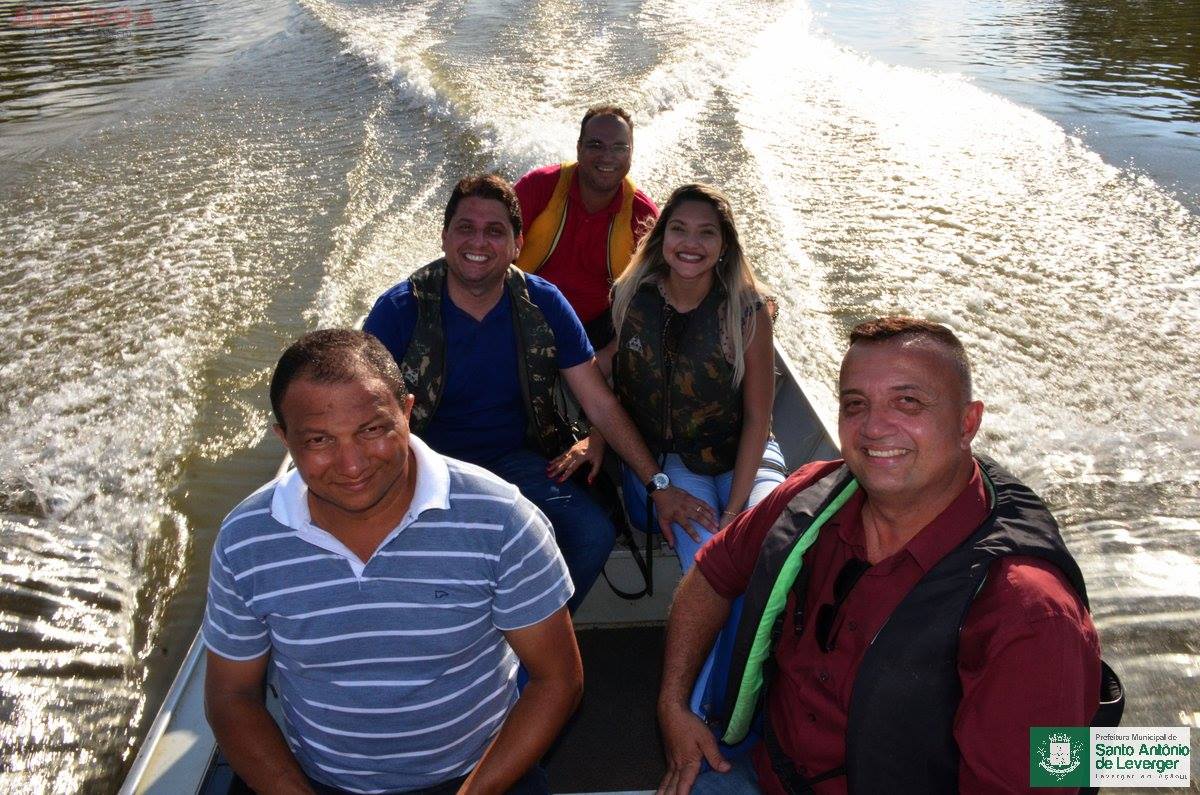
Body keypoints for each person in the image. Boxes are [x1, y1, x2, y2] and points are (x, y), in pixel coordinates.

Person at [657, 317, 1102, 794]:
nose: (872, 427)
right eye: (855, 405)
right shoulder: (811, 498)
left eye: (907, 402)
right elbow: (713, 572)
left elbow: (1039, 776)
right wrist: (673, 704)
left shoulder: (1029, 611)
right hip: (764, 773)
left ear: (967, 423)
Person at [203, 329, 582, 794]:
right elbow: (231, 695)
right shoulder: (245, 540)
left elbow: (557, 680)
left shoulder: (501, 520)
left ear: (407, 412)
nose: (352, 465)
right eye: (319, 440)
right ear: (284, 439)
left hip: (480, 776)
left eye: (372, 430)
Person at [364, 174, 715, 614]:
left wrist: (659, 486)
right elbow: (359, 410)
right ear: (444, 236)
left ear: (517, 244)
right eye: (465, 228)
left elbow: (600, 403)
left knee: (591, 534)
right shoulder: (401, 309)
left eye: (495, 231)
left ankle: (535, 641)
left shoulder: (543, 303)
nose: (479, 242)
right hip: (424, 465)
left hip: (516, 461)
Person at [514, 105, 659, 349]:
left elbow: (655, 299)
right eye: (595, 145)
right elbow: (492, 252)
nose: (607, 157)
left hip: (596, 335)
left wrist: (606, 357)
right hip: (522, 315)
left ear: (631, 153)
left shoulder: (643, 215)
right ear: (579, 148)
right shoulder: (538, 187)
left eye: (619, 147)